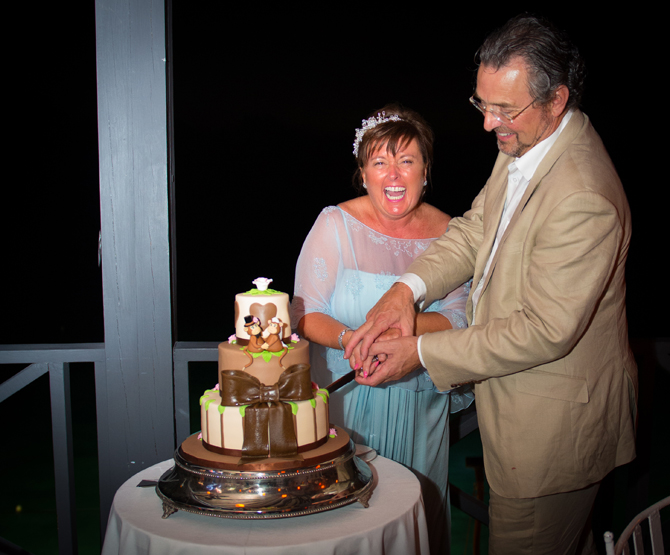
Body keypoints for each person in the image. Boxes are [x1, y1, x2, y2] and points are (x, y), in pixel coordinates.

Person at [346, 15, 637, 555]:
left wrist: (421, 353)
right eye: (483, 104)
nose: (488, 125)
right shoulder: (525, 145)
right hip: (512, 412)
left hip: (551, 436)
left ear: (556, 100)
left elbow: (543, 332)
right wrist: (404, 290)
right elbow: (476, 228)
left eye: (505, 109)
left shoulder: (583, 196)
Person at [291, 104, 473, 555]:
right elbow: (306, 311)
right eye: (380, 161)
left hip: (419, 406)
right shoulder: (335, 224)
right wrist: (350, 339)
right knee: (342, 524)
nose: (394, 173)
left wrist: (404, 331)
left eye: (406, 160)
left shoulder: (452, 233)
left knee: (412, 525)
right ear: (363, 173)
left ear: (425, 170)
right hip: (346, 404)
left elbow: (459, 317)